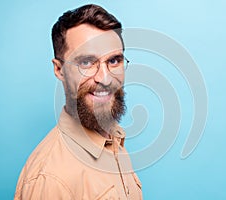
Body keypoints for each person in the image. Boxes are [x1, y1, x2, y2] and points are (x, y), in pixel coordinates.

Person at [14, 4, 142, 199]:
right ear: (59, 70)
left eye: (114, 60)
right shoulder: (51, 179)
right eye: (86, 62)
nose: (105, 79)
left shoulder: (114, 140)